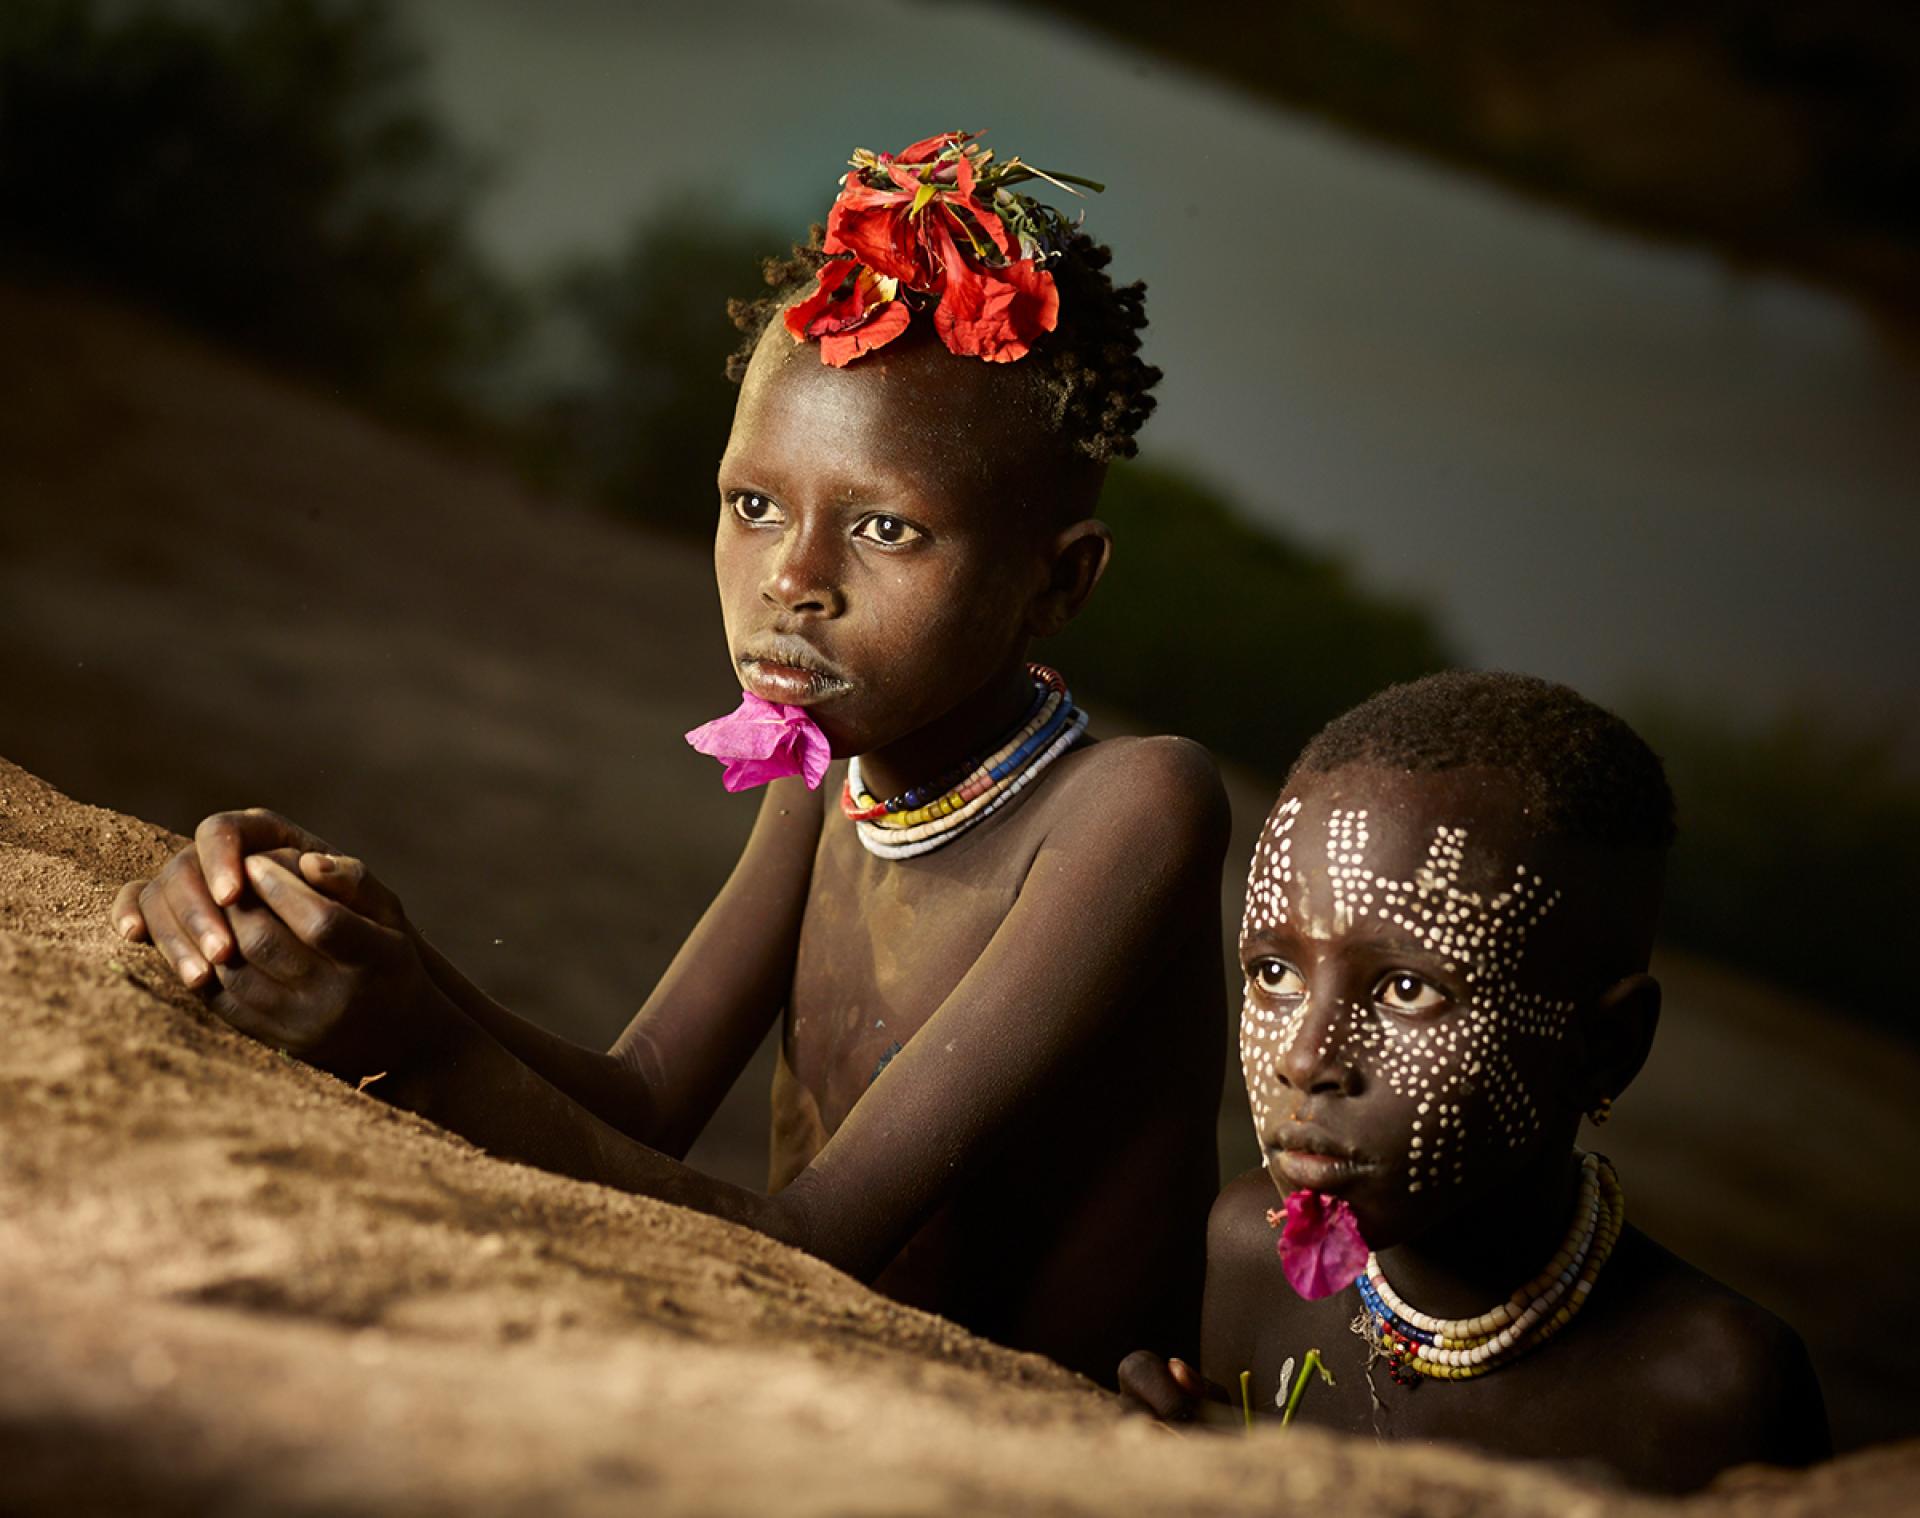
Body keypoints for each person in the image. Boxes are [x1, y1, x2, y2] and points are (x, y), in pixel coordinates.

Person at [110, 132, 1227, 1383]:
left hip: (1027, 1427)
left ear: (1058, 583)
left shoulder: (1134, 808)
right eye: (754, 506)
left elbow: (817, 1242)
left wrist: (423, 1041)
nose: (793, 584)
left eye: (885, 529)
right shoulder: (835, 778)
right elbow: (642, 1096)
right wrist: (365, 939)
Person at [1119, 671, 1829, 1491]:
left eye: (1407, 989)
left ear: (1605, 1049)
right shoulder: (1255, 1254)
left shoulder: (1718, 1395)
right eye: (1276, 972)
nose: (1306, 1057)